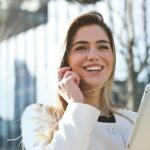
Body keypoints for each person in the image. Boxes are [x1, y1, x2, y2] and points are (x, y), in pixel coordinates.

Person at [21, 11, 137, 150]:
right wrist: (76, 104)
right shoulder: (39, 118)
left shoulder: (134, 121)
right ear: (65, 60)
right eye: (81, 48)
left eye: (103, 47)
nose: (93, 56)